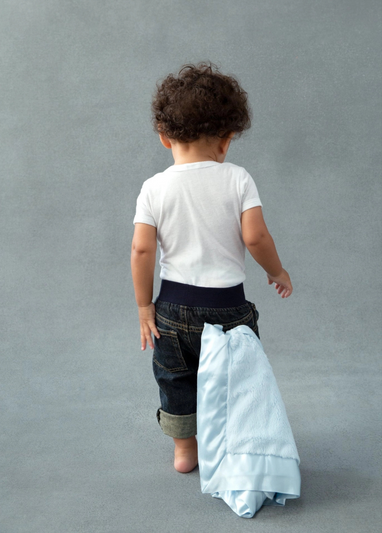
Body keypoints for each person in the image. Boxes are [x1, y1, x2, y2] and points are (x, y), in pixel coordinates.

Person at [131, 62, 292, 474]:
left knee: (176, 378)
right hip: (228, 309)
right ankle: (237, 446)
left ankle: (185, 450)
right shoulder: (238, 179)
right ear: (226, 138)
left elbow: (141, 250)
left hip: (171, 311)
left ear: (164, 136)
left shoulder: (154, 188)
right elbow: (256, 237)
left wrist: (145, 307)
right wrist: (276, 272)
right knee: (239, 380)